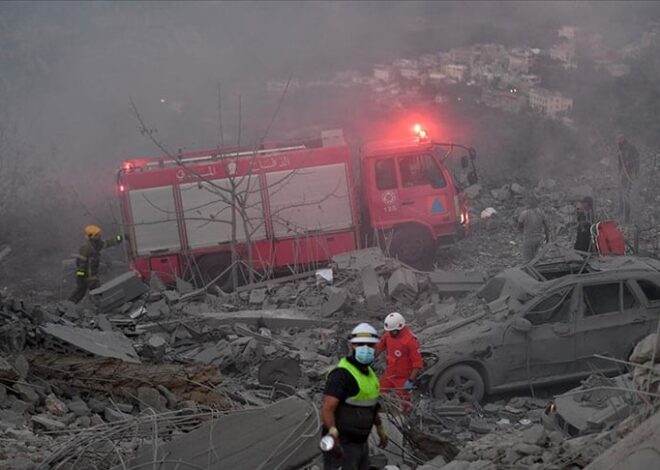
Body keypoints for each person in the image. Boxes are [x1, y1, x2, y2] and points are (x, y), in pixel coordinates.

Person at [320, 323, 388, 470]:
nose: (365, 348)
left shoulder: (370, 376)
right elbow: (327, 409)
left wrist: (380, 428)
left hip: (361, 443)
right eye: (360, 344)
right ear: (351, 346)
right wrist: (332, 433)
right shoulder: (341, 375)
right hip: (341, 443)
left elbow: (371, 406)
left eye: (370, 345)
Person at [376, 312, 423, 414]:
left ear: (401, 327)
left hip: (403, 377)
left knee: (403, 402)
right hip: (390, 373)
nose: (391, 333)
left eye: (394, 331)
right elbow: (379, 349)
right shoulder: (388, 335)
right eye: (390, 331)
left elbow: (417, 363)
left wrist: (410, 380)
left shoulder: (410, 341)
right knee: (379, 391)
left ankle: (404, 417)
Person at [69, 225, 124, 304]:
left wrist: (120, 237)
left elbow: (109, 243)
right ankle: (65, 307)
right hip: (89, 278)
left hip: (92, 277)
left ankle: (67, 307)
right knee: (96, 294)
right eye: (97, 234)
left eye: (99, 233)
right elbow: (81, 264)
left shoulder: (96, 244)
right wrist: (80, 278)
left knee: (81, 293)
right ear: (91, 236)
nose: (99, 235)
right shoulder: (86, 248)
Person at [518, 195, 550, 263]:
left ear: (528, 203)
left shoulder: (524, 213)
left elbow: (519, 226)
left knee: (528, 261)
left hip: (528, 239)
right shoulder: (541, 212)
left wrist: (524, 233)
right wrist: (547, 237)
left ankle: (530, 272)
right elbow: (546, 226)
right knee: (538, 259)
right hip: (539, 238)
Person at [616, 134, 640, 224]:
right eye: (618, 139)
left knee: (626, 195)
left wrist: (636, 173)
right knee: (621, 193)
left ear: (623, 139)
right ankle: (621, 211)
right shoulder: (620, 148)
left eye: (620, 138)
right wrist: (619, 173)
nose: (618, 141)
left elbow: (637, 160)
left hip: (629, 174)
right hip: (623, 174)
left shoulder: (630, 148)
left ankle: (627, 217)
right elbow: (620, 162)